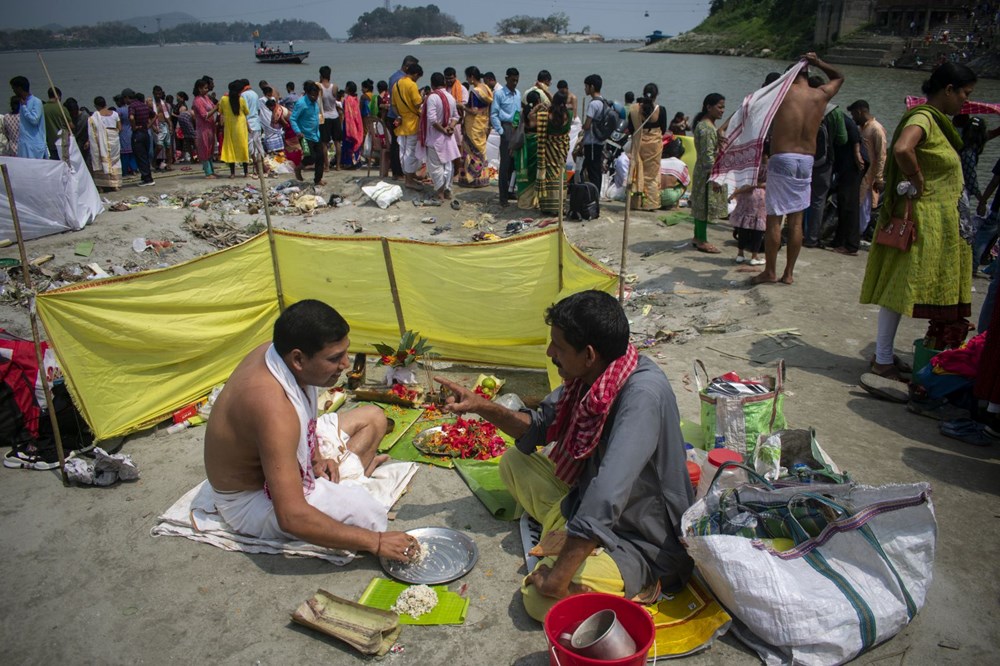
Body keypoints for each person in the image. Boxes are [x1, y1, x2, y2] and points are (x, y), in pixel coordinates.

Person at [435, 290, 694, 621]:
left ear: (588, 354)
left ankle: (621, 584)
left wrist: (557, 580)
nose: (550, 352)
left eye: (558, 346)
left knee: (537, 600)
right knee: (514, 461)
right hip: (587, 505)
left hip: (641, 540)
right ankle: (569, 537)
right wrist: (482, 406)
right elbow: (541, 425)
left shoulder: (642, 394)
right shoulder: (591, 376)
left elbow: (608, 491)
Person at [203, 299, 416, 561]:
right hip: (249, 498)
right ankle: (354, 478)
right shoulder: (273, 408)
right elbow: (291, 517)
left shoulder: (276, 351)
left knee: (374, 418)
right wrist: (377, 541)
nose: (346, 365)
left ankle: (349, 477)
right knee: (366, 513)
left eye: (345, 352)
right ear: (298, 359)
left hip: (286, 445)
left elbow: (305, 421)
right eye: (335, 358)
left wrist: (315, 459)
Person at [860, 62, 977, 383]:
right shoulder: (924, 117)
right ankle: (882, 359)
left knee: (901, 287)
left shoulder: (938, 121)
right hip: (920, 222)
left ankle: (883, 356)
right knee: (901, 286)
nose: (965, 101)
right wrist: (918, 178)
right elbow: (902, 148)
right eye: (964, 94)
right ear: (948, 89)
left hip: (934, 222)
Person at [752, 53, 844, 285]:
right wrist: (819, 62)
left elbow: (751, 107)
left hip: (783, 157)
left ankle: (770, 271)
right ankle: (789, 274)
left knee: (774, 219)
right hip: (806, 160)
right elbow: (839, 77)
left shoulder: (781, 95)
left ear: (789, 75)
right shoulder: (820, 95)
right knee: (796, 219)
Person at [689, 93, 727, 253]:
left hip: (702, 170)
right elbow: (707, 156)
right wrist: (716, 177)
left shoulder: (708, 126)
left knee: (700, 205)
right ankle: (702, 240)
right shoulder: (705, 129)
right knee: (703, 206)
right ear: (708, 107)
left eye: (723, 107)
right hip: (706, 172)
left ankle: (698, 236)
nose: (722, 111)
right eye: (719, 107)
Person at [829, 111, 866, 255]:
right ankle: (839, 240)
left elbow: (854, 133)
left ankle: (851, 245)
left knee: (849, 207)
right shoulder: (837, 118)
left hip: (851, 169)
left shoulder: (839, 117)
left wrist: (857, 152)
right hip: (843, 169)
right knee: (843, 205)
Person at [848, 100, 887, 240]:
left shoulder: (876, 129)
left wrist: (879, 178)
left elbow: (882, 155)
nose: (853, 118)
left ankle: (857, 237)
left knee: (864, 207)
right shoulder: (863, 128)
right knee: (858, 204)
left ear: (860, 111)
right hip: (861, 174)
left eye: (853, 114)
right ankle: (855, 235)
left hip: (870, 176)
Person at [419, 72, 460, 201]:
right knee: (448, 165)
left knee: (436, 167)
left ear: (432, 84)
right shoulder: (450, 97)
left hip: (436, 137)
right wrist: (451, 127)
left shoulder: (432, 97)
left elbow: (432, 119)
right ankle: (447, 190)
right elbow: (456, 116)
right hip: (448, 137)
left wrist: (443, 130)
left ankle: (441, 193)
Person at [627, 83, 667, 212]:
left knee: (637, 171)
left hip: (639, 143)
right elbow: (664, 128)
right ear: (656, 96)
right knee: (652, 175)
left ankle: (636, 203)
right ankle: (650, 203)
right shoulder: (661, 110)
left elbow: (631, 128)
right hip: (654, 145)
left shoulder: (634, 110)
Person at [458, 66, 493, 188]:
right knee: (481, 151)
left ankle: (471, 177)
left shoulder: (475, 92)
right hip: (483, 123)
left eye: (467, 77)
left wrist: (462, 107)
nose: (467, 80)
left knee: (471, 151)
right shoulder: (486, 88)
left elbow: (473, 111)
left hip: (473, 125)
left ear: (472, 77)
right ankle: (482, 177)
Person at [729, 154, 768, 265]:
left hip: (745, 194)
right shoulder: (767, 163)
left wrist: (737, 192)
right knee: (758, 228)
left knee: (743, 226)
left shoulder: (749, 160)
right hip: (761, 196)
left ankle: (740, 254)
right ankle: (754, 256)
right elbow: (761, 183)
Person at [538, 91, 572, 214]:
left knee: (549, 175)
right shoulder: (569, 114)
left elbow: (532, 118)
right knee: (560, 174)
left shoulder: (546, 115)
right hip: (561, 149)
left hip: (549, 149)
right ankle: (559, 206)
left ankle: (547, 207)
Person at [392, 62, 425, 191]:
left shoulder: (396, 84)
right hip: (412, 123)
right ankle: (409, 180)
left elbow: (393, 106)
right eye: (418, 77)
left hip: (402, 123)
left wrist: (400, 116)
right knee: (411, 153)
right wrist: (422, 98)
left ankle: (409, 176)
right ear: (415, 74)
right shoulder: (411, 85)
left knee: (403, 152)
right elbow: (417, 105)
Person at [491, 68, 522, 206]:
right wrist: (501, 130)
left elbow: (518, 112)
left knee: (515, 163)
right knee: (505, 164)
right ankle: (503, 197)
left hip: (516, 128)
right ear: (506, 79)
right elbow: (493, 114)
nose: (514, 83)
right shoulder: (499, 94)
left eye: (516, 80)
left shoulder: (518, 94)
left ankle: (511, 191)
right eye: (512, 80)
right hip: (506, 128)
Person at [386, 56, 419, 180]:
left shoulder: (394, 77)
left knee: (399, 145)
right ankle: (399, 172)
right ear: (406, 67)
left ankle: (407, 172)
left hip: (395, 114)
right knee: (399, 146)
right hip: (398, 116)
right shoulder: (401, 80)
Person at [515, 90, 543, 209]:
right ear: (538, 101)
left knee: (523, 171)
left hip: (522, 146)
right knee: (534, 173)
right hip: (535, 145)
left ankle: (523, 201)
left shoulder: (520, 113)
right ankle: (533, 201)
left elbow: (514, 127)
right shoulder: (539, 115)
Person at [291, 81, 324, 186]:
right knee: (311, 157)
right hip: (304, 136)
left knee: (320, 157)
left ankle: (318, 180)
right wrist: (298, 131)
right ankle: (298, 168)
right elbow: (293, 118)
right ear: (308, 93)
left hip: (315, 134)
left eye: (316, 95)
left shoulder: (315, 103)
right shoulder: (301, 103)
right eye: (313, 95)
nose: (315, 97)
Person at [578, 74, 607, 188]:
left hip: (592, 143)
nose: (585, 89)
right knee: (595, 170)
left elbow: (587, 125)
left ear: (592, 87)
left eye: (586, 86)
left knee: (593, 171)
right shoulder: (602, 101)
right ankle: (595, 196)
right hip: (599, 142)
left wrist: (583, 127)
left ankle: (594, 198)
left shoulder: (593, 104)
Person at [87, 96, 122, 191]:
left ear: (96, 106)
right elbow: (119, 128)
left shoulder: (94, 118)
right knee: (114, 162)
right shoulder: (114, 114)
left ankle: (101, 186)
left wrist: (104, 135)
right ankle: (116, 185)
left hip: (101, 142)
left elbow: (92, 132)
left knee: (100, 161)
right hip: (114, 141)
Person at [220, 80, 250, 179]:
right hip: (241, 127)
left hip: (229, 128)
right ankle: (246, 173)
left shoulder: (223, 99)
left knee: (230, 149)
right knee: (243, 149)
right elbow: (246, 112)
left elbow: (220, 110)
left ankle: (232, 173)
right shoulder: (241, 100)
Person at [128, 90, 155, 185]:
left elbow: (131, 117)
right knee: (145, 156)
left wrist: (134, 127)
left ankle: (147, 179)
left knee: (140, 156)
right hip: (145, 132)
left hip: (138, 133)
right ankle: (146, 177)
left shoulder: (132, 106)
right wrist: (149, 125)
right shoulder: (145, 106)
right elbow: (154, 115)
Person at [192, 79, 218, 178]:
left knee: (210, 149)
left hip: (210, 127)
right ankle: (208, 172)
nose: (207, 90)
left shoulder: (206, 98)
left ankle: (211, 170)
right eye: (205, 88)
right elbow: (205, 115)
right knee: (204, 149)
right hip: (202, 128)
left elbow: (213, 106)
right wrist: (215, 109)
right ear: (199, 88)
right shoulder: (197, 101)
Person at [318, 66, 340, 170]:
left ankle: (327, 166)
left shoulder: (319, 86)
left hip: (325, 116)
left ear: (321, 75)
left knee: (324, 143)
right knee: (337, 142)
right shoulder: (334, 86)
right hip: (335, 115)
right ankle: (338, 166)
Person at [339, 81, 364, 168]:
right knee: (355, 142)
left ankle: (348, 162)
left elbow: (346, 113)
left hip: (349, 124)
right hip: (356, 124)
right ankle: (356, 161)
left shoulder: (348, 99)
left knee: (348, 143)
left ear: (348, 88)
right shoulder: (356, 99)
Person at [151, 86, 173, 171]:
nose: (158, 95)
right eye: (156, 94)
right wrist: (153, 127)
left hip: (165, 125)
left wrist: (170, 125)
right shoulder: (150, 103)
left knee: (168, 146)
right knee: (159, 146)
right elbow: (148, 117)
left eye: (159, 93)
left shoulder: (163, 103)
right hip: (157, 125)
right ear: (153, 93)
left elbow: (167, 116)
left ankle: (169, 164)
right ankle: (153, 160)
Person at [42, 86, 67, 160]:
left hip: (50, 142)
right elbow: (70, 125)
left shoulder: (43, 108)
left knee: (55, 163)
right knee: (65, 163)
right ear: (58, 96)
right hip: (63, 142)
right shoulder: (62, 108)